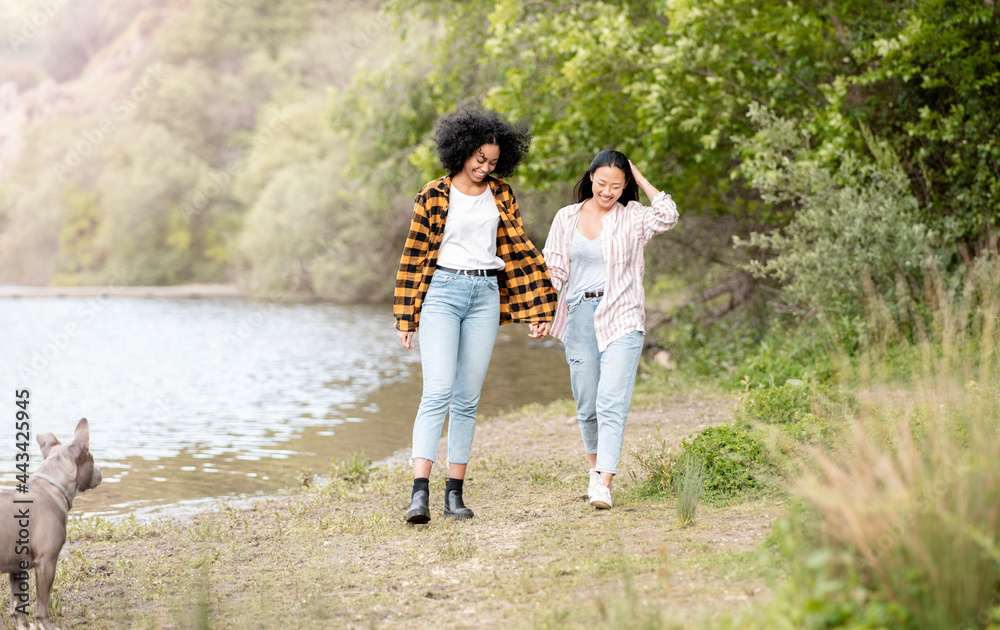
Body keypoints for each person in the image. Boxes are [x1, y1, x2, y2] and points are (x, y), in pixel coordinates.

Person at [394, 106, 557, 524]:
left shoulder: (501, 194)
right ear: (462, 151)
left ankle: (454, 495)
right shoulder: (433, 194)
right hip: (442, 294)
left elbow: (519, 251)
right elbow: (413, 258)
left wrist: (542, 306)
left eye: (493, 161)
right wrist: (406, 316)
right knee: (438, 391)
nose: (485, 167)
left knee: (467, 399)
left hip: (485, 293)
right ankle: (419, 495)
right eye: (479, 158)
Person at [541, 149, 679, 509]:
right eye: (602, 183)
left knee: (611, 402)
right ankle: (594, 469)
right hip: (579, 316)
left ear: (626, 185)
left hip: (623, 316)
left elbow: (668, 215)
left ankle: (604, 484)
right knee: (587, 404)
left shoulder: (633, 217)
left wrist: (641, 177)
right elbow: (553, 269)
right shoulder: (566, 218)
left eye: (617, 186)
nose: (608, 191)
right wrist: (541, 312)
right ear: (590, 178)